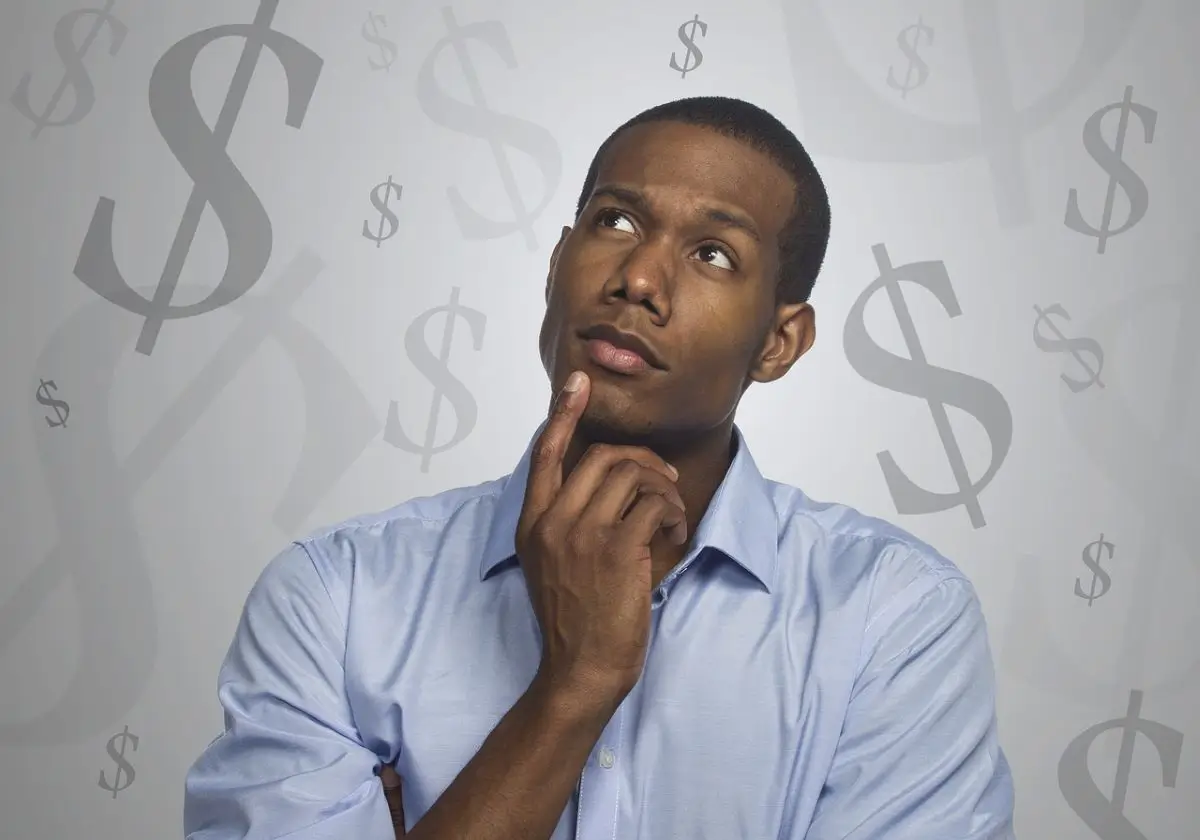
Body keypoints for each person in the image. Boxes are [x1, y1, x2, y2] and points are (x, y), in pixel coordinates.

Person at [183, 95, 1015, 839]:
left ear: (777, 341)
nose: (639, 278)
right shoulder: (336, 598)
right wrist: (573, 690)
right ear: (555, 264)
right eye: (615, 221)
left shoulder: (894, 622)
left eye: (714, 254)